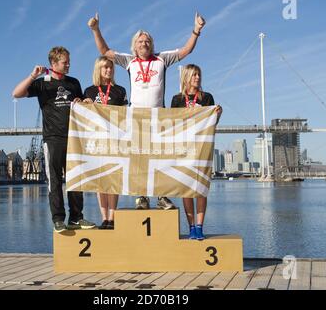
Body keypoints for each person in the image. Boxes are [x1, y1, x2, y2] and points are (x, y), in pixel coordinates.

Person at [88, 12, 206, 210]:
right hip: (136, 117)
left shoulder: (162, 59)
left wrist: (196, 30)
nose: (144, 44)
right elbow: (105, 50)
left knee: (161, 158)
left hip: (159, 116)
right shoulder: (129, 61)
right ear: (135, 46)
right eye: (140, 41)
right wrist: (95, 29)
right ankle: (142, 197)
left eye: (147, 41)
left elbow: (186, 51)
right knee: (140, 159)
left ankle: (162, 196)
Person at [12, 46, 96, 233]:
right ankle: (58, 219)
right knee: (55, 180)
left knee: (76, 179)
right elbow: (16, 93)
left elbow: (83, 103)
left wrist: (86, 102)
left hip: (75, 138)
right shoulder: (42, 84)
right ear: (54, 63)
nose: (68, 65)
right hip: (53, 138)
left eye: (68, 61)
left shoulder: (74, 83)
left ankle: (76, 218)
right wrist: (32, 76)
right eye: (65, 62)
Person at [170, 64, 223, 240]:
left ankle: (200, 227)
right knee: (186, 190)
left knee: (200, 189)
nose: (197, 78)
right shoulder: (176, 100)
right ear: (185, 77)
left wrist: (218, 114)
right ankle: (191, 227)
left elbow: (211, 123)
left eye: (199, 75)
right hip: (183, 149)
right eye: (193, 75)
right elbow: (172, 125)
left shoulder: (207, 97)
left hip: (201, 149)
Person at [83, 56, 128, 229]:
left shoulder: (120, 90)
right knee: (101, 181)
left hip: (115, 140)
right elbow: (83, 115)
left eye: (110, 67)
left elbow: (126, 115)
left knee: (113, 180)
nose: (108, 70)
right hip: (96, 141)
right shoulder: (89, 91)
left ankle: (113, 217)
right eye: (105, 68)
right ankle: (104, 218)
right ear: (98, 70)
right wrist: (84, 104)